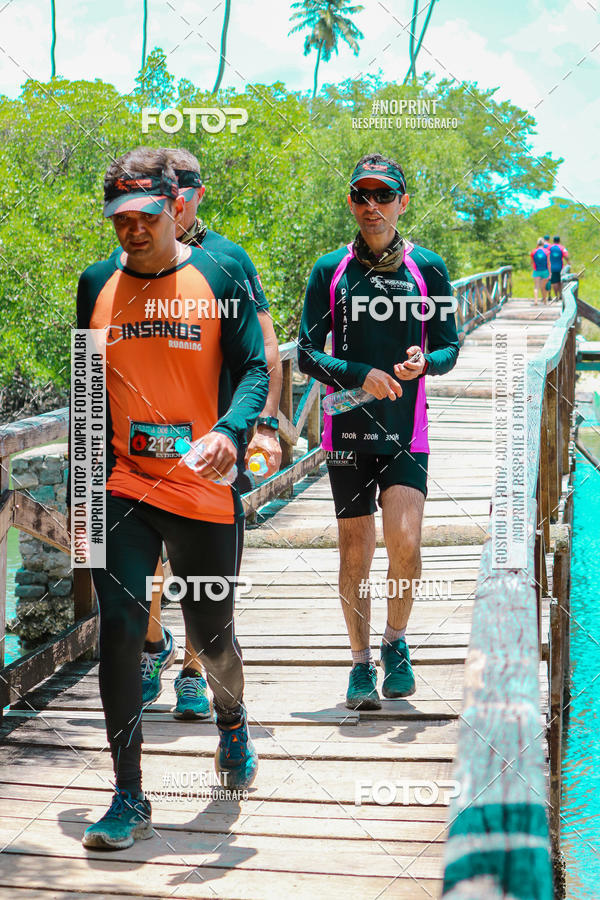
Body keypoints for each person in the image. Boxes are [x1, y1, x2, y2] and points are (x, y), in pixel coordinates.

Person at [70, 147, 268, 849]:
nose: (132, 229)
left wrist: (232, 432)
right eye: (119, 217)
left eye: (145, 214)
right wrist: (82, 507)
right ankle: (128, 796)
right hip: (123, 487)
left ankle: (232, 720)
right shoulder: (95, 283)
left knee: (212, 638)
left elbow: (253, 366)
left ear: (173, 205)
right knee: (120, 635)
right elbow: (86, 399)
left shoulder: (221, 273)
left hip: (204, 490)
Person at [297, 153, 459, 710]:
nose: (372, 206)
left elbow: (450, 345)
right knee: (355, 554)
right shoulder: (330, 270)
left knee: (407, 544)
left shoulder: (428, 267)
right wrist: (359, 373)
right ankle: (359, 663)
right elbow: (306, 354)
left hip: (405, 430)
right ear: (351, 203)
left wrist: (426, 362)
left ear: (402, 203)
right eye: (362, 196)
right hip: (345, 433)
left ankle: (395, 642)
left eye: (383, 196)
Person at [139, 148, 282, 720]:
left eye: (185, 192)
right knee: (148, 559)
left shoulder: (228, 260)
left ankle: (194, 671)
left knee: (204, 574)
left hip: (216, 437)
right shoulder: (132, 256)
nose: (175, 203)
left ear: (198, 195)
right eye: (164, 193)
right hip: (146, 440)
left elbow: (265, 344)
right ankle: (152, 647)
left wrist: (266, 423)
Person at [548, 235, 569, 302]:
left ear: (553, 240)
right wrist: (568, 263)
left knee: (554, 282)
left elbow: (546, 255)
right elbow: (566, 256)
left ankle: (556, 296)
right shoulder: (562, 248)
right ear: (559, 241)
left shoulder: (549, 248)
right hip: (560, 267)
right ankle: (560, 295)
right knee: (560, 281)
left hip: (552, 267)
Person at [530, 237, 550, 305]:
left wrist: (533, 268)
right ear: (543, 243)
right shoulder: (547, 251)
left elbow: (532, 262)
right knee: (543, 287)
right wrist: (550, 273)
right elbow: (548, 263)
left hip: (536, 270)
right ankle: (545, 301)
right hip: (545, 270)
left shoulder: (533, 251)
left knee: (536, 286)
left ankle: (536, 301)